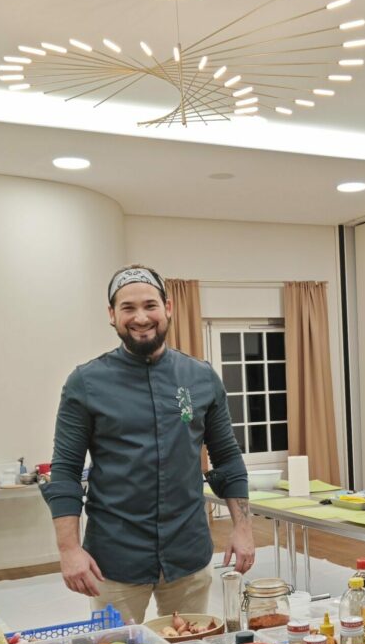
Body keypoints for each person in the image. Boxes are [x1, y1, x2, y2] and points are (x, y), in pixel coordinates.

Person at [41, 265, 254, 623]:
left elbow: (227, 458)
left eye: (150, 305)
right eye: (128, 308)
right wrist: (69, 548)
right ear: (112, 315)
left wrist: (243, 528)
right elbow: (65, 470)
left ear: (167, 308)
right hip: (114, 557)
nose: (141, 317)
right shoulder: (86, 383)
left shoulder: (200, 378)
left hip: (187, 551)